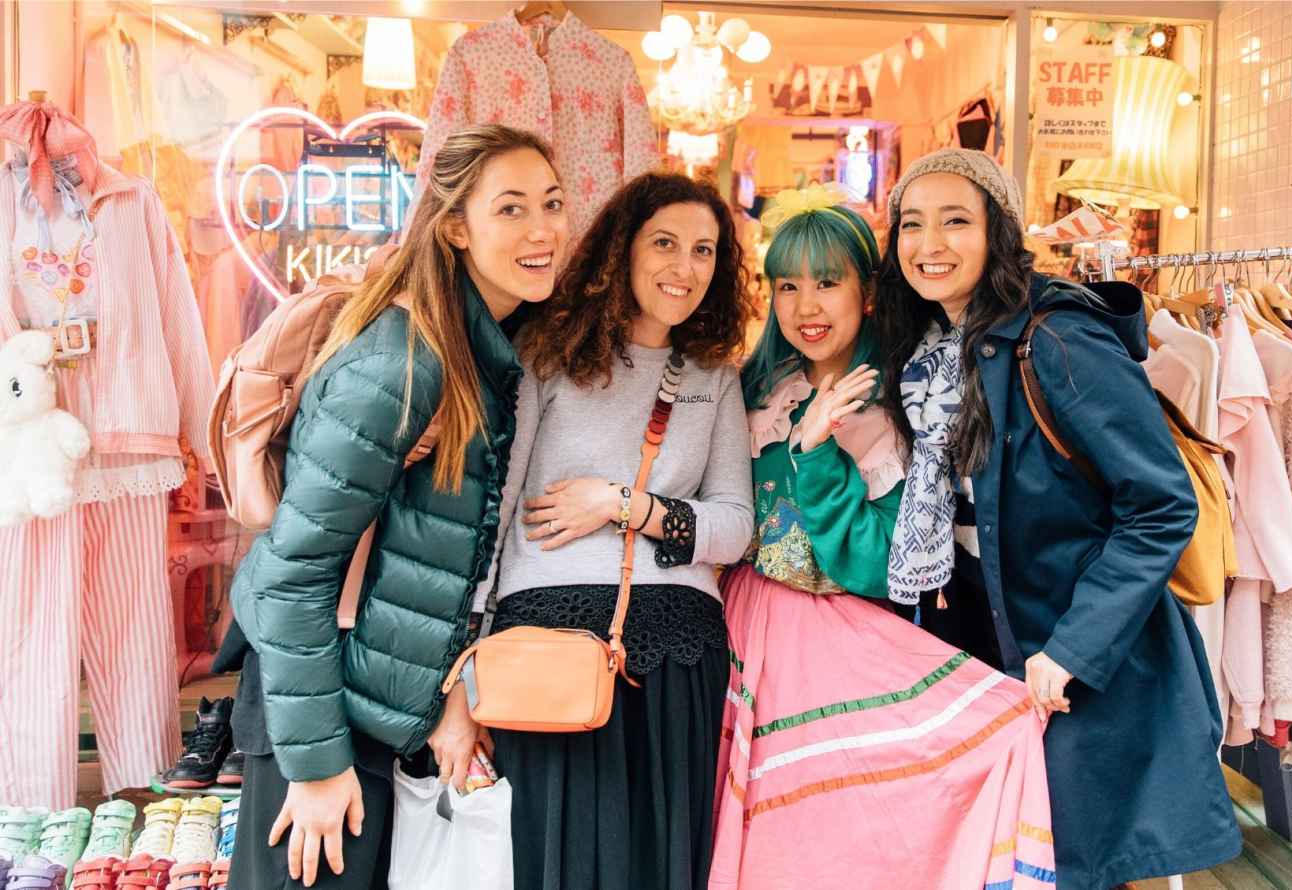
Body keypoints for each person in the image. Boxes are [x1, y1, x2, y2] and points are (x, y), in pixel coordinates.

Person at [876, 148, 1241, 890]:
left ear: (1000, 232)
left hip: (1081, 660)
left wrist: (1073, 648)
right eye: (911, 225)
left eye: (955, 221)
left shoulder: (1056, 338)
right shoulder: (928, 352)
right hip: (990, 640)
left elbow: (1161, 504)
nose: (928, 245)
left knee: (1074, 865)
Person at [224, 124, 568, 889]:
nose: (543, 229)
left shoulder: (481, 346)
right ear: (454, 226)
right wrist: (315, 768)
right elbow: (291, 574)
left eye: (551, 203)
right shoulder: (403, 362)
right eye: (510, 209)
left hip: (378, 704)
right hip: (320, 711)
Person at [709, 184, 1056, 890]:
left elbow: (877, 563)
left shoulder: (907, 408)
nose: (806, 307)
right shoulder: (752, 387)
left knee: (826, 843)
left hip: (840, 642)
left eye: (828, 283)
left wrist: (816, 453)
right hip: (736, 633)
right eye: (787, 286)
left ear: (867, 291)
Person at [487, 172, 755, 890]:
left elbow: (735, 528)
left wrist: (622, 503)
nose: (685, 267)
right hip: (546, 635)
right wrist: (464, 665)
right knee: (553, 859)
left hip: (676, 650)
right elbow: (499, 508)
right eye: (664, 243)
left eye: (704, 250)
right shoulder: (545, 356)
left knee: (659, 861)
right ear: (621, 252)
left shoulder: (712, 376)